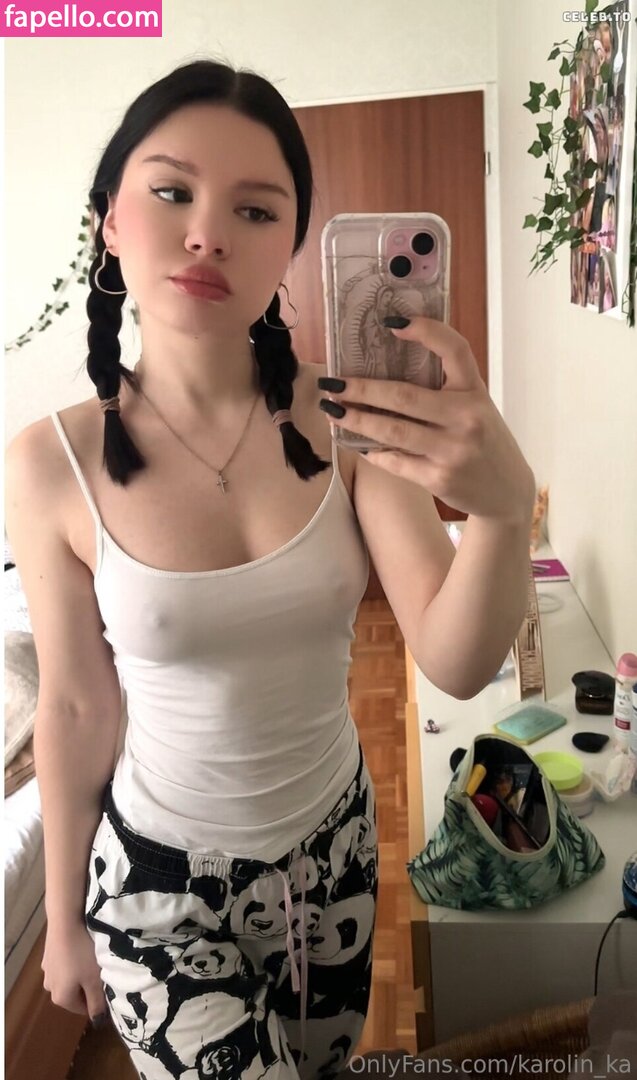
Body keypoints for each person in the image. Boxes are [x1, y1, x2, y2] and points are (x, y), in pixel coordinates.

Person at [4, 58, 536, 1080]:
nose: (207, 233)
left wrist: (504, 510)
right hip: (158, 893)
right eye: (172, 192)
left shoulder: (348, 422)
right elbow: (72, 704)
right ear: (110, 219)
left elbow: (458, 659)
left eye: (254, 210)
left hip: (333, 859)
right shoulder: (48, 463)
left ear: (291, 245)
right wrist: (63, 916)